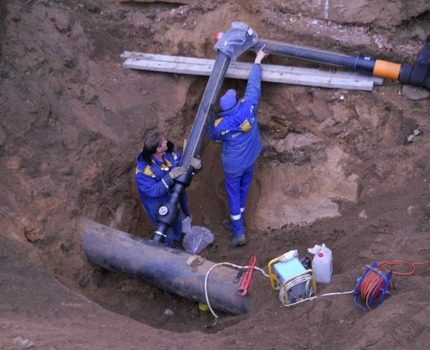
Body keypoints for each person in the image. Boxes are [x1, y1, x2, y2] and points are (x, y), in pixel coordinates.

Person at [208, 47, 268, 247]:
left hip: (233, 165)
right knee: (243, 188)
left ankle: (238, 231)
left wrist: (210, 117)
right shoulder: (248, 106)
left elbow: (212, 135)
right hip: (250, 158)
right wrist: (258, 60)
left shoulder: (221, 125)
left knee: (233, 194)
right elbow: (253, 86)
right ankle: (238, 221)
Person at [135, 129, 201, 247]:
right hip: (157, 205)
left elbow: (183, 166)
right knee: (166, 232)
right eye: (164, 141)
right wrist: (169, 178)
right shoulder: (144, 171)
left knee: (177, 220)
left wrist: (196, 167)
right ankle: (166, 249)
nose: (167, 141)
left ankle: (178, 241)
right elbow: (153, 191)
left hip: (173, 198)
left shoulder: (170, 154)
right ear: (158, 149)